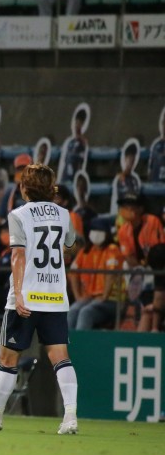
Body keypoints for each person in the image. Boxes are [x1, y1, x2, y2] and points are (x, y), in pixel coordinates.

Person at [0, 164, 80, 435]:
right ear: (51, 188)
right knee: (60, 356)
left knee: (8, 357)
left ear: (24, 188)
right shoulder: (64, 214)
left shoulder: (18, 214)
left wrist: (18, 294)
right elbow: (71, 246)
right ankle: (71, 417)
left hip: (26, 298)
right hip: (54, 297)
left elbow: (17, 256)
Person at [116, 194, 165, 332]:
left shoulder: (152, 221)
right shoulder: (123, 230)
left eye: (130, 206)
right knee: (126, 266)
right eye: (124, 206)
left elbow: (157, 252)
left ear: (140, 209)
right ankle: (141, 298)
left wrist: (144, 266)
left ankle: (148, 303)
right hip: (139, 267)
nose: (126, 209)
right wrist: (140, 266)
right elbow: (128, 257)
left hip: (156, 265)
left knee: (150, 278)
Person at [68, 216, 124, 330]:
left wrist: (104, 296)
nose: (96, 233)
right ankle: (65, 341)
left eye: (100, 231)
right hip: (90, 298)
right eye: (94, 230)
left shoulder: (112, 249)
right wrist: (78, 296)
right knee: (72, 310)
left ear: (107, 233)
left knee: (86, 312)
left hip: (112, 300)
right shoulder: (86, 251)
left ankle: (81, 341)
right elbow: (73, 273)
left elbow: (111, 274)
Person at [57, 106, 89, 185]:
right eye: (76, 123)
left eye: (79, 123)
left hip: (73, 178)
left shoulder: (83, 143)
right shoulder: (69, 142)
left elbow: (81, 163)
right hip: (64, 176)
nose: (76, 125)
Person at [111, 141, 142, 213]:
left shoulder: (136, 179)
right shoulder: (119, 178)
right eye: (129, 158)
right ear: (125, 158)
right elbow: (116, 200)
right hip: (121, 213)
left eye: (133, 159)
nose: (131, 162)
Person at [148, 108, 165, 184]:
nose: (164, 126)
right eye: (163, 122)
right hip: (155, 184)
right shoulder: (156, 144)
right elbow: (150, 169)